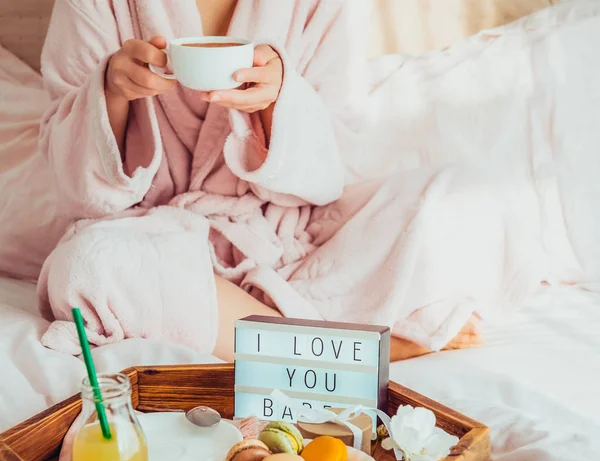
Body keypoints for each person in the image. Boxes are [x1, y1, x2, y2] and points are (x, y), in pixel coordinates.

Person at [38, 0, 483, 361]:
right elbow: (74, 186)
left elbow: (336, 165)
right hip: (151, 244)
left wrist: (278, 102)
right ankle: (341, 356)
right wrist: (110, 91)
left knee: (454, 195)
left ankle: (250, 331)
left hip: (282, 236)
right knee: (86, 265)